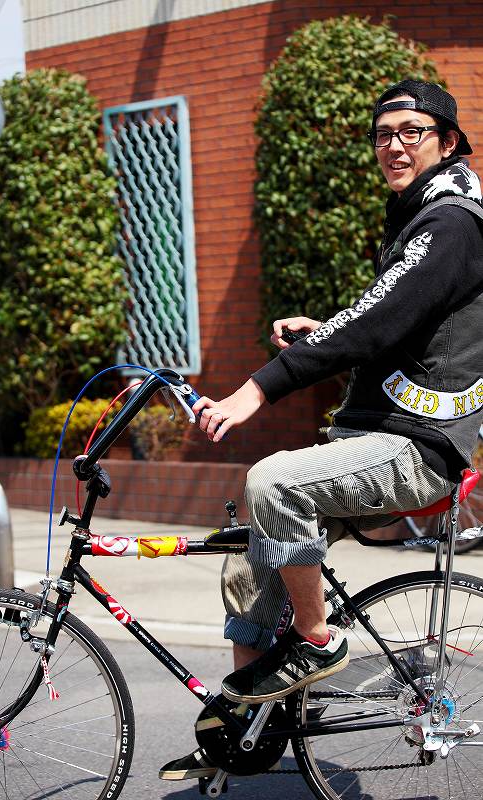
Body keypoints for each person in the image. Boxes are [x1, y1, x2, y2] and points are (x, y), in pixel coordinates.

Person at [160, 79, 483, 781]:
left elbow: (378, 318)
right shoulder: (416, 215)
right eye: (382, 134)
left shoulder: (451, 224)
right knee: (251, 562)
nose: (394, 146)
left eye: (411, 132)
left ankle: (316, 640)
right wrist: (325, 330)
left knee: (273, 481)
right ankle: (246, 729)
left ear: (448, 141)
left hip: (417, 449)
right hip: (378, 435)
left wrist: (257, 389)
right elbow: (395, 325)